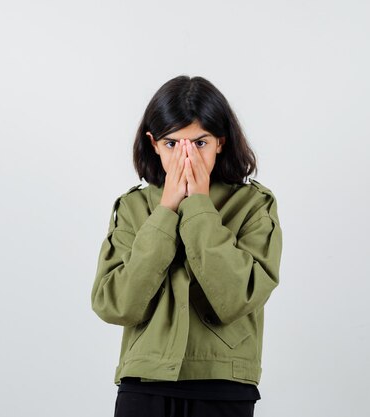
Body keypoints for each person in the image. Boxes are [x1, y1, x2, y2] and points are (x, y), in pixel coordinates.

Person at [90, 75, 283, 417]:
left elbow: (238, 296)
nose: (186, 158)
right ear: (152, 143)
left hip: (223, 386)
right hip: (143, 384)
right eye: (172, 144)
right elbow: (116, 305)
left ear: (221, 142)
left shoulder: (254, 205)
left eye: (199, 143)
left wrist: (198, 205)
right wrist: (164, 212)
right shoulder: (134, 208)